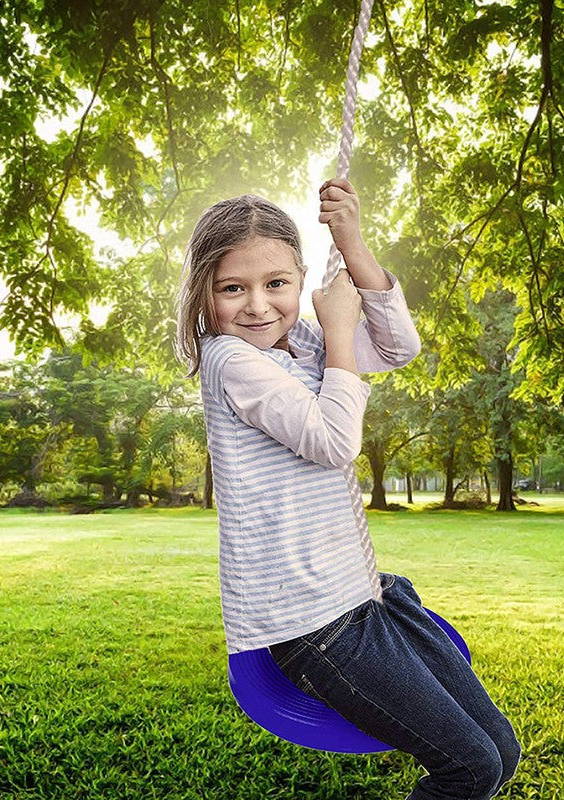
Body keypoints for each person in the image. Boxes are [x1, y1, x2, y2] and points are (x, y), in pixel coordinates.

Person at [175, 178, 521, 799]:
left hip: (369, 597)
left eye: (276, 283)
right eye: (233, 288)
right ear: (206, 292)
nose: (257, 304)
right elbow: (332, 440)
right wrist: (337, 330)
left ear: (302, 276)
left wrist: (354, 245)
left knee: (499, 748)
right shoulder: (231, 360)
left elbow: (399, 345)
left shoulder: (304, 343)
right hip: (314, 624)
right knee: (469, 768)